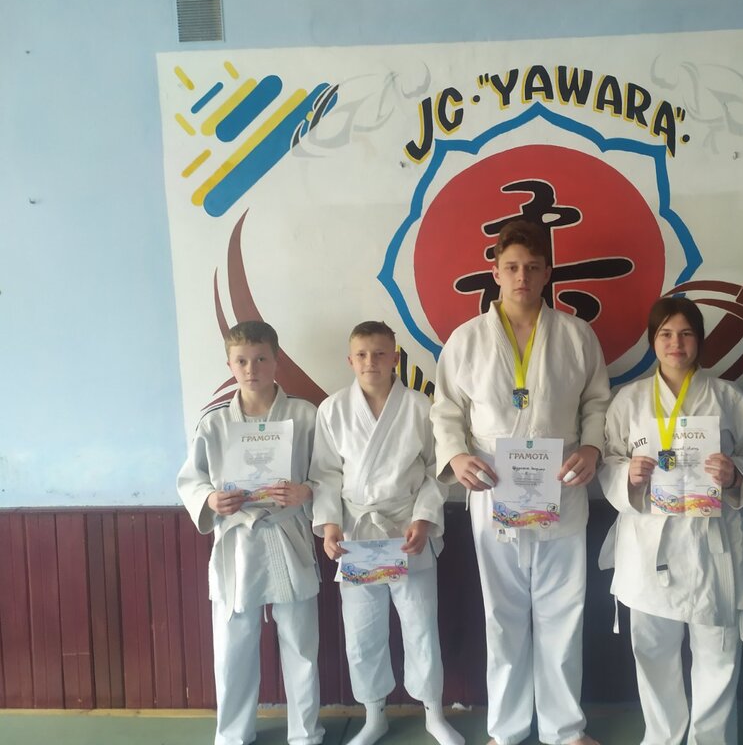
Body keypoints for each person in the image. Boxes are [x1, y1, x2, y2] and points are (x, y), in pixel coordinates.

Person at [430, 220, 612, 745]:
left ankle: (565, 729)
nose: (522, 277)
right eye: (511, 267)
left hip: (562, 484)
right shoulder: (466, 340)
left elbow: (597, 402)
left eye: (533, 267)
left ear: (548, 272)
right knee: (502, 616)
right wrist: (456, 456)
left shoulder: (576, 335)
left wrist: (592, 446)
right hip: (493, 488)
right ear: (495, 272)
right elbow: (446, 411)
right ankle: (507, 730)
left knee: (563, 611)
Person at [598, 296, 743, 745]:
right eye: (666, 334)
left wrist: (737, 472)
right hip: (648, 544)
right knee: (652, 651)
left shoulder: (728, 398)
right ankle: (662, 737)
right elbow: (609, 460)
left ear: (699, 341)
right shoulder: (628, 400)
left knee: (718, 655)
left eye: (686, 334)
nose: (676, 343)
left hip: (711, 543)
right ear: (652, 341)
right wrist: (627, 474)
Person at [307, 321, 463, 745]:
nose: (370, 362)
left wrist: (424, 519)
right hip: (357, 534)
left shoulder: (420, 406)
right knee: (362, 631)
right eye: (362, 354)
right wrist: (330, 525)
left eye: (379, 354)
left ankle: (433, 713)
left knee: (421, 626)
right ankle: (374, 715)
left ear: (395, 358)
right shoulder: (332, 410)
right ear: (350, 360)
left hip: (408, 530)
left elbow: (435, 470)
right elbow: (325, 474)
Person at [177, 320, 324, 745]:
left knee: (300, 643)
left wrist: (306, 490)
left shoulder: (305, 415)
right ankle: (233, 735)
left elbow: (328, 473)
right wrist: (210, 499)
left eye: (261, 359)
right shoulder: (214, 422)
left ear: (276, 361)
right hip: (237, 540)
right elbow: (191, 479)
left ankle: (306, 734)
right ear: (229, 365)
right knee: (232, 646)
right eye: (241, 361)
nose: (251, 368)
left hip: (287, 533)